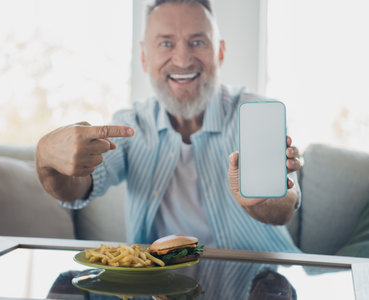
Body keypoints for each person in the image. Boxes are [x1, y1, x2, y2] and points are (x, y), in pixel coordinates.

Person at [35, 0, 301, 252]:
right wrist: (47, 163)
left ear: (219, 52)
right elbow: (76, 187)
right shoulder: (131, 125)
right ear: (144, 57)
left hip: (264, 282)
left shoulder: (258, 114)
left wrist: (261, 201)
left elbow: (283, 209)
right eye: (165, 44)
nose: (183, 60)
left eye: (197, 42)